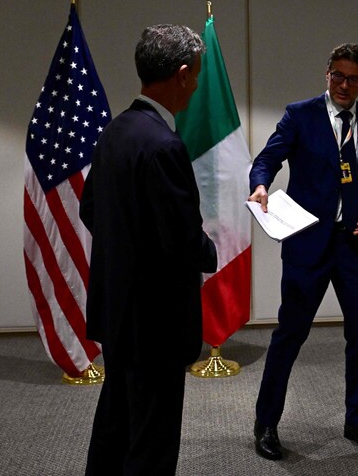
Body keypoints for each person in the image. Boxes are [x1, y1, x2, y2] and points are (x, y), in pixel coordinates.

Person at [80, 24, 217, 475]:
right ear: (181, 75)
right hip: (156, 321)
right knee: (153, 442)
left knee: (116, 423)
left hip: (118, 310)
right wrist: (211, 250)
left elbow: (89, 211)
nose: (195, 85)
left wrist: (127, 246)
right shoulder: (163, 144)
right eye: (195, 76)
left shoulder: (115, 130)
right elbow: (181, 240)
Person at [248, 43, 358, 460]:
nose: (343, 85)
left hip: (355, 245)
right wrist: (259, 185)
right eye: (337, 75)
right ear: (326, 73)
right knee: (289, 335)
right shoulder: (301, 114)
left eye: (353, 79)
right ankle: (266, 424)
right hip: (307, 243)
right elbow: (267, 160)